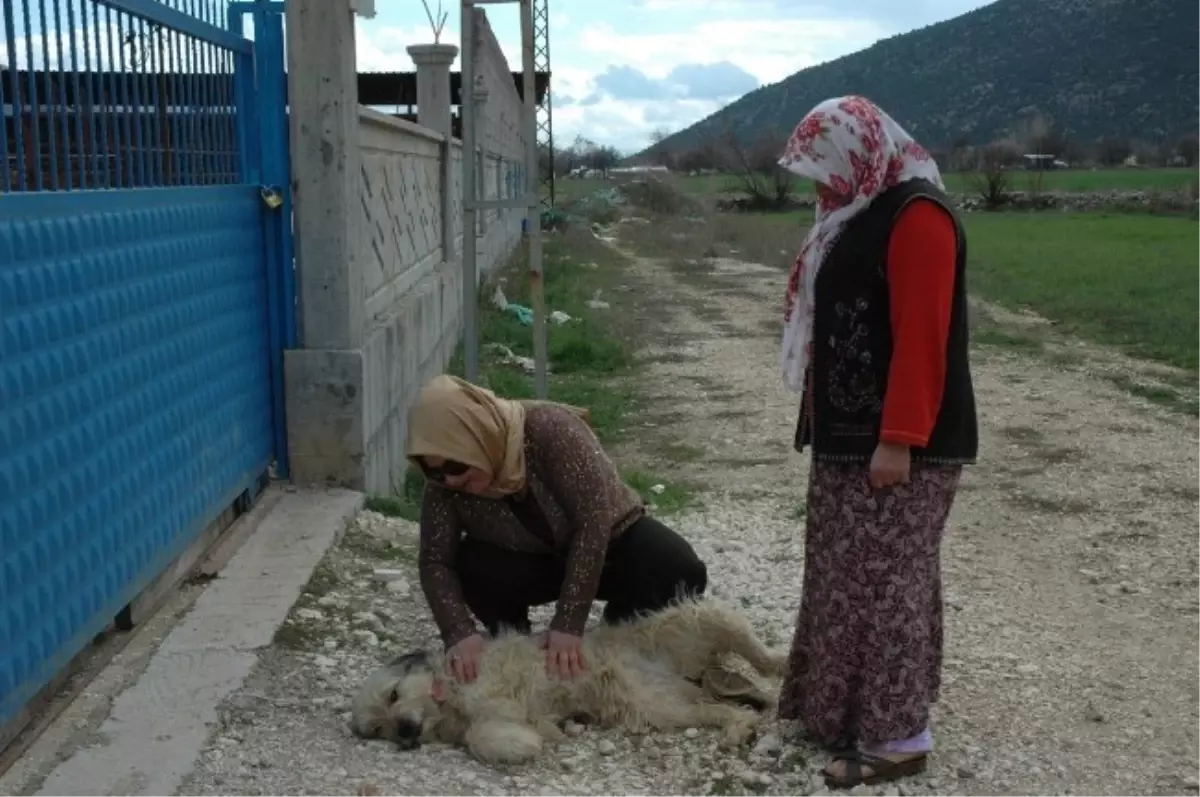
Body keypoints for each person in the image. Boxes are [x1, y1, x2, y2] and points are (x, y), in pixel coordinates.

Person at [774, 96, 978, 789]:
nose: (816, 184)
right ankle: (839, 714)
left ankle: (898, 736)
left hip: (901, 447)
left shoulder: (917, 216)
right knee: (844, 579)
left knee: (890, 584)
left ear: (857, 154)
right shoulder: (860, 213)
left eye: (822, 166)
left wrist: (898, 440)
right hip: (848, 441)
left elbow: (923, 336)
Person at [405, 374, 708, 684]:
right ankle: (511, 645)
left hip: (608, 544)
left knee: (679, 568)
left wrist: (568, 624)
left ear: (479, 437)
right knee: (471, 563)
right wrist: (458, 632)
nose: (450, 480)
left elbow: (592, 522)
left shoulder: (548, 430)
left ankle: (622, 626)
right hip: (534, 560)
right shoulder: (443, 487)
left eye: (457, 465)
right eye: (432, 469)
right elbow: (435, 560)